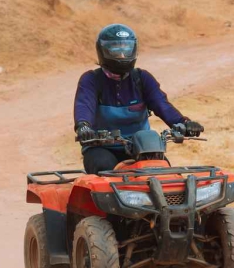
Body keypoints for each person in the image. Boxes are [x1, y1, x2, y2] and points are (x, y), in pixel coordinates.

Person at [73, 24, 204, 173]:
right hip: (101, 147)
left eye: (126, 49)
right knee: (105, 169)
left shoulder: (142, 78)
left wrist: (184, 123)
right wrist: (83, 126)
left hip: (141, 146)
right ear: (102, 51)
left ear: (134, 50)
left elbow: (162, 104)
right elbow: (84, 105)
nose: (122, 55)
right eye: (115, 50)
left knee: (163, 172)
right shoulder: (91, 80)